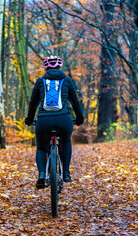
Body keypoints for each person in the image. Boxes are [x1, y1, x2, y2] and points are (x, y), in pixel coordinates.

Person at [24, 55, 84, 189]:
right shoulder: (67, 81)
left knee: (41, 148)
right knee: (66, 141)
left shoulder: (40, 81)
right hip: (63, 119)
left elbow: (33, 103)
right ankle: (67, 174)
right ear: (60, 66)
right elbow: (75, 102)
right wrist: (80, 118)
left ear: (45, 67)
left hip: (44, 120)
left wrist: (29, 119)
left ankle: (41, 175)